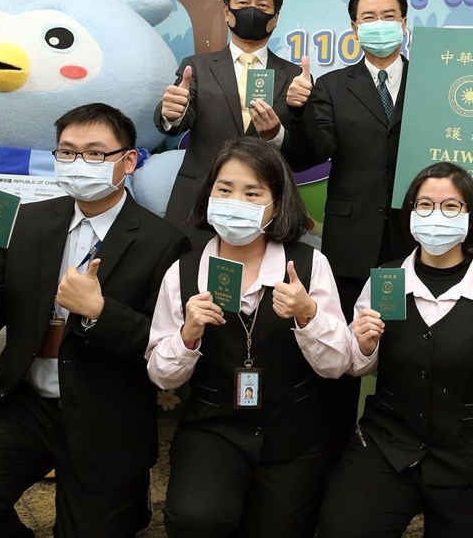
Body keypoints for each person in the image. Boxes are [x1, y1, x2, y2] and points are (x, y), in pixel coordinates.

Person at [0, 103, 190, 538]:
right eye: (67, 153)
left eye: (94, 154)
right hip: (25, 401)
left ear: (127, 161)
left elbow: (162, 347)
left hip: (105, 411)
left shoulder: (162, 242)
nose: (77, 164)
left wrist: (101, 312)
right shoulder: (28, 222)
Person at [317, 162, 473, 538]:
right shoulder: (387, 280)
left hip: (470, 455)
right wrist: (363, 343)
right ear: (410, 214)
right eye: (424, 205)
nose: (435, 215)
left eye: (451, 206)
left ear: (470, 216)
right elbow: (355, 366)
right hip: (388, 445)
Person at [146, 137, 350, 538]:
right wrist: (188, 335)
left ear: (276, 203)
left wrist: (307, 315)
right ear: (208, 195)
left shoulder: (310, 265)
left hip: (294, 434)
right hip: (214, 428)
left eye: (252, 193)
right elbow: (161, 375)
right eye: (224, 190)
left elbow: (339, 363)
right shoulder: (184, 272)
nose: (235, 201)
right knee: (196, 520)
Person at [284, 0, 414, 450]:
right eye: (368, 18)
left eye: (388, 16)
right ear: (354, 27)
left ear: (404, 22)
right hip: (351, 242)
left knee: (401, 348)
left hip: (413, 240)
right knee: (344, 348)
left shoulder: (435, 83)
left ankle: (392, 446)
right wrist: (296, 114)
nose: (379, 25)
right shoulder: (332, 86)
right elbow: (311, 153)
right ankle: (334, 451)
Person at [156, 0, 310, 245]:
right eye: (243, 2)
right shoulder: (197, 67)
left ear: (275, 18)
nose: (252, 10)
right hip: (199, 204)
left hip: (265, 210)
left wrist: (275, 135)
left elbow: (304, 153)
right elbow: (178, 119)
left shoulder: (295, 78)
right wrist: (171, 114)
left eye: (263, 5)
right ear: (227, 12)